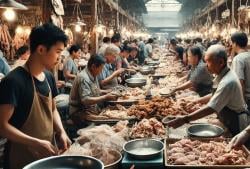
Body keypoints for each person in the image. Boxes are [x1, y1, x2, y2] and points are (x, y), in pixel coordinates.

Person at [0, 23, 71, 169]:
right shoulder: (14, 81)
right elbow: (2, 126)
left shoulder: (49, 76)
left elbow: (52, 110)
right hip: (20, 157)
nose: (60, 57)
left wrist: (61, 131)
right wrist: (36, 143)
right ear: (40, 49)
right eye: (58, 51)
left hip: (46, 153)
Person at [166, 45, 249, 136]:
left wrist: (185, 119)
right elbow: (216, 94)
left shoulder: (228, 82)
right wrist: (196, 101)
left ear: (221, 62)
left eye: (208, 62)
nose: (206, 66)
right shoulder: (222, 75)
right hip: (227, 118)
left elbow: (211, 108)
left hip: (235, 122)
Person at [69, 55, 118, 126]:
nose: (101, 71)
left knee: (110, 117)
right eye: (100, 69)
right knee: (105, 123)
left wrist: (107, 91)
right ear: (93, 67)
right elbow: (85, 100)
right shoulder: (84, 78)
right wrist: (105, 97)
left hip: (91, 109)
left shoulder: (93, 74)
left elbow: (95, 90)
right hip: (79, 112)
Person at [231, 32, 250, 111]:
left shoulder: (238, 59)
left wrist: (241, 104)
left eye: (232, 43)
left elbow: (240, 82)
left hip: (247, 99)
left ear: (235, 43)